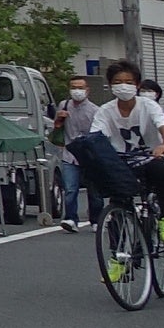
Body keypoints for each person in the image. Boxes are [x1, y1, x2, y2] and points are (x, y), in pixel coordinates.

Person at [94, 60, 164, 245]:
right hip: (122, 161)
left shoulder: (148, 106)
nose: (123, 86)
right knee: (116, 205)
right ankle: (117, 257)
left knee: (161, 170)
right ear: (110, 85)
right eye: (117, 82)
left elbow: (163, 125)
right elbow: (96, 136)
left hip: (153, 157)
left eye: (129, 82)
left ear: (137, 85)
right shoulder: (104, 111)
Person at [53, 74, 101, 228]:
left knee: (94, 190)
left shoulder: (95, 110)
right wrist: (59, 120)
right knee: (70, 189)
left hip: (89, 154)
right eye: (73, 88)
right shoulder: (64, 105)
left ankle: (96, 219)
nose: (77, 91)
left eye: (80, 88)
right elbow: (57, 128)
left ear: (87, 90)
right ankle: (71, 218)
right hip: (69, 153)